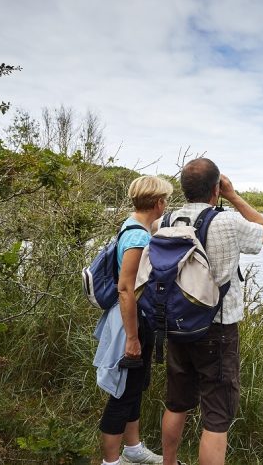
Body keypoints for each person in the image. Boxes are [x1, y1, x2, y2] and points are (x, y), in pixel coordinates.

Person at [160, 158, 263, 465]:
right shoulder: (227, 221)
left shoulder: (167, 221)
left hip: (177, 323)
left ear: (183, 189)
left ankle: (167, 463)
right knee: (216, 415)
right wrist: (234, 196)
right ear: (216, 189)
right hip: (217, 326)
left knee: (176, 402)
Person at [97, 175, 173, 465]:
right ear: (158, 202)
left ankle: (133, 449)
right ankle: (111, 461)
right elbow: (126, 288)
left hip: (137, 319)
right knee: (122, 392)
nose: (166, 205)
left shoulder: (132, 226)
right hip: (132, 322)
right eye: (165, 200)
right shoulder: (138, 236)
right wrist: (132, 338)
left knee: (133, 387)